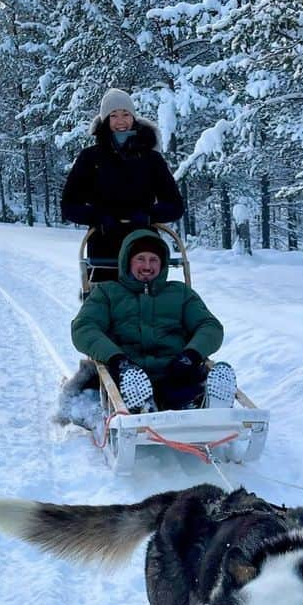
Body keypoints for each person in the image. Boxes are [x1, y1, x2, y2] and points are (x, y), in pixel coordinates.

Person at [71, 230, 236, 413]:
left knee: (182, 387)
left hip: (174, 369)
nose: (147, 265)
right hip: (126, 371)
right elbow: (84, 327)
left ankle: (203, 405)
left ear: (162, 264)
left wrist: (191, 355)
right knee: (117, 385)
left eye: (153, 259)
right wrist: (115, 358)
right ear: (128, 262)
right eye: (140, 258)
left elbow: (210, 326)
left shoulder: (180, 293)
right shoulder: (107, 292)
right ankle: (141, 407)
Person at [61, 88, 184, 282]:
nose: (121, 121)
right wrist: (98, 217)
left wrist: (149, 215)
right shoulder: (90, 158)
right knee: (108, 302)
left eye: (126, 114)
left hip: (144, 245)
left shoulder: (151, 159)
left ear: (133, 117)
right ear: (105, 120)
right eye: (114, 115)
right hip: (104, 245)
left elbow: (175, 206)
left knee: (149, 303)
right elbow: (69, 206)